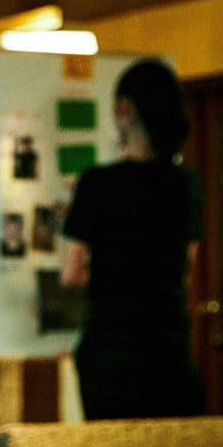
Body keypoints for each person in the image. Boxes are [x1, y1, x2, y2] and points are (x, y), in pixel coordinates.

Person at [60, 58, 205, 420]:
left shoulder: (96, 184)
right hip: (169, 354)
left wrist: (111, 272)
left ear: (123, 108)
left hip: (109, 356)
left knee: (114, 445)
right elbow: (186, 270)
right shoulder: (186, 185)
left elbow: (71, 274)